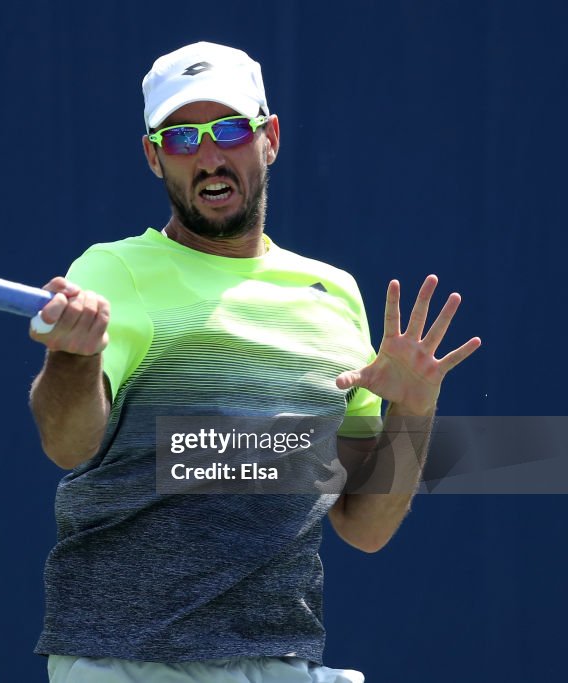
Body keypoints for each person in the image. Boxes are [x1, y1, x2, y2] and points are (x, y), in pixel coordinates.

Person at [27, 41, 481, 683]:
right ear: (155, 158)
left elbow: (365, 526)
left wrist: (413, 410)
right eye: (182, 139)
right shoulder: (112, 272)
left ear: (268, 138)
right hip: (128, 661)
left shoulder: (333, 294)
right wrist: (73, 359)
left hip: (281, 659)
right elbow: (69, 443)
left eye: (231, 130)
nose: (210, 156)